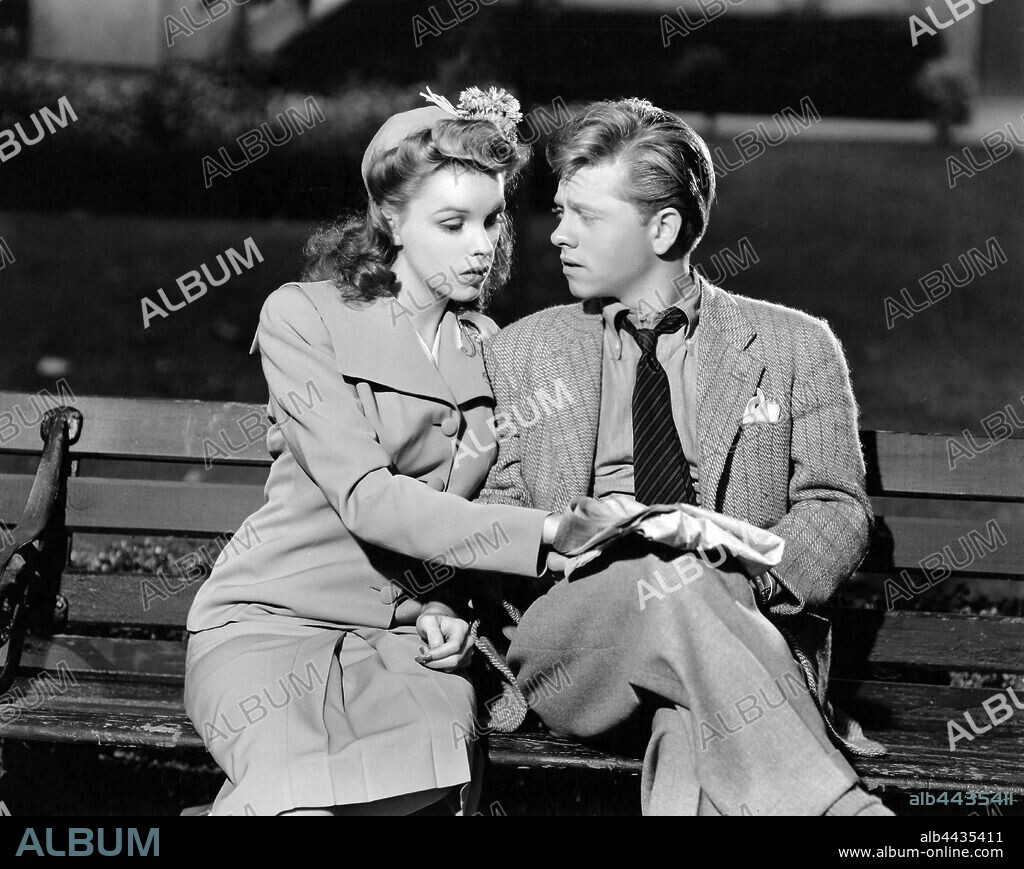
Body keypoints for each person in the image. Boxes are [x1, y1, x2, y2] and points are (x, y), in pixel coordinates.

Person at [476, 98, 893, 816]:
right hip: (577, 644)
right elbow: (492, 508)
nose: (558, 236)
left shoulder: (795, 347)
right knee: (666, 573)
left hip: (735, 640)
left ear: (663, 227)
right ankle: (847, 816)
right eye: (559, 210)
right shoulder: (519, 352)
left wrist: (737, 577)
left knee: (693, 741)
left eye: (587, 216)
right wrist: (572, 535)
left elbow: (835, 506)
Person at [184, 86, 566, 816]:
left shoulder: (487, 348)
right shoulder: (304, 315)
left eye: (491, 219)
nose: (482, 244)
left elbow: (472, 508)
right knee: (296, 799)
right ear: (391, 218)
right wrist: (546, 533)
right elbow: (368, 497)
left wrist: (446, 607)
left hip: (402, 646)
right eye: (452, 223)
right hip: (270, 624)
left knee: (426, 771)